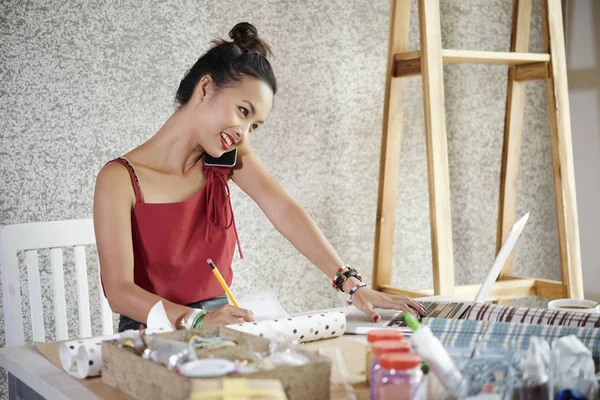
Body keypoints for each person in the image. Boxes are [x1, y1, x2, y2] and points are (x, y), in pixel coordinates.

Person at [93, 22, 426, 333]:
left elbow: (283, 210)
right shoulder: (119, 179)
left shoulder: (227, 157)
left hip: (221, 328)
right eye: (243, 111)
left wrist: (353, 285)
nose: (244, 134)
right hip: (151, 334)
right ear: (206, 88)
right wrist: (198, 321)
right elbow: (120, 292)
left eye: (254, 126)